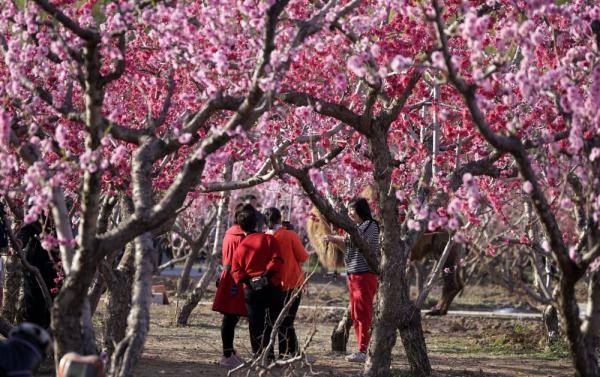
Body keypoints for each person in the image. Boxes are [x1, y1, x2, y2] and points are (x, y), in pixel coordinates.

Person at [322, 198, 380, 363]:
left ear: (360, 210)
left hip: (364, 275)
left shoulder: (370, 225)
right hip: (354, 274)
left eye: (351, 210)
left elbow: (355, 241)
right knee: (356, 314)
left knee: (364, 313)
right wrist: (334, 240)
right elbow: (349, 248)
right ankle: (362, 348)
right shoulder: (356, 228)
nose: (349, 214)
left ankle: (365, 350)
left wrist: (334, 238)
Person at [231, 206, 284, 360]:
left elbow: (236, 270)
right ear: (257, 224)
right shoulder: (269, 239)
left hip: (251, 290)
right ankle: (270, 354)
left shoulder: (241, 246)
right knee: (273, 322)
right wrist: (265, 276)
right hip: (271, 286)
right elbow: (277, 260)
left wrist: (249, 280)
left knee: (255, 323)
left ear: (240, 227)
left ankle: (257, 353)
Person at [264, 208, 308, 358]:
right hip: (292, 283)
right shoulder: (289, 235)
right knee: (287, 321)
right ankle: (286, 353)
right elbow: (303, 257)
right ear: (280, 219)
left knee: (271, 320)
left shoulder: (264, 237)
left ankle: (270, 352)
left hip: (271, 284)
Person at [212, 203, 252, 368]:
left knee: (229, 317)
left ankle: (229, 352)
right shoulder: (242, 236)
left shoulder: (229, 233)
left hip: (227, 276)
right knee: (230, 317)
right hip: (236, 278)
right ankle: (227, 354)